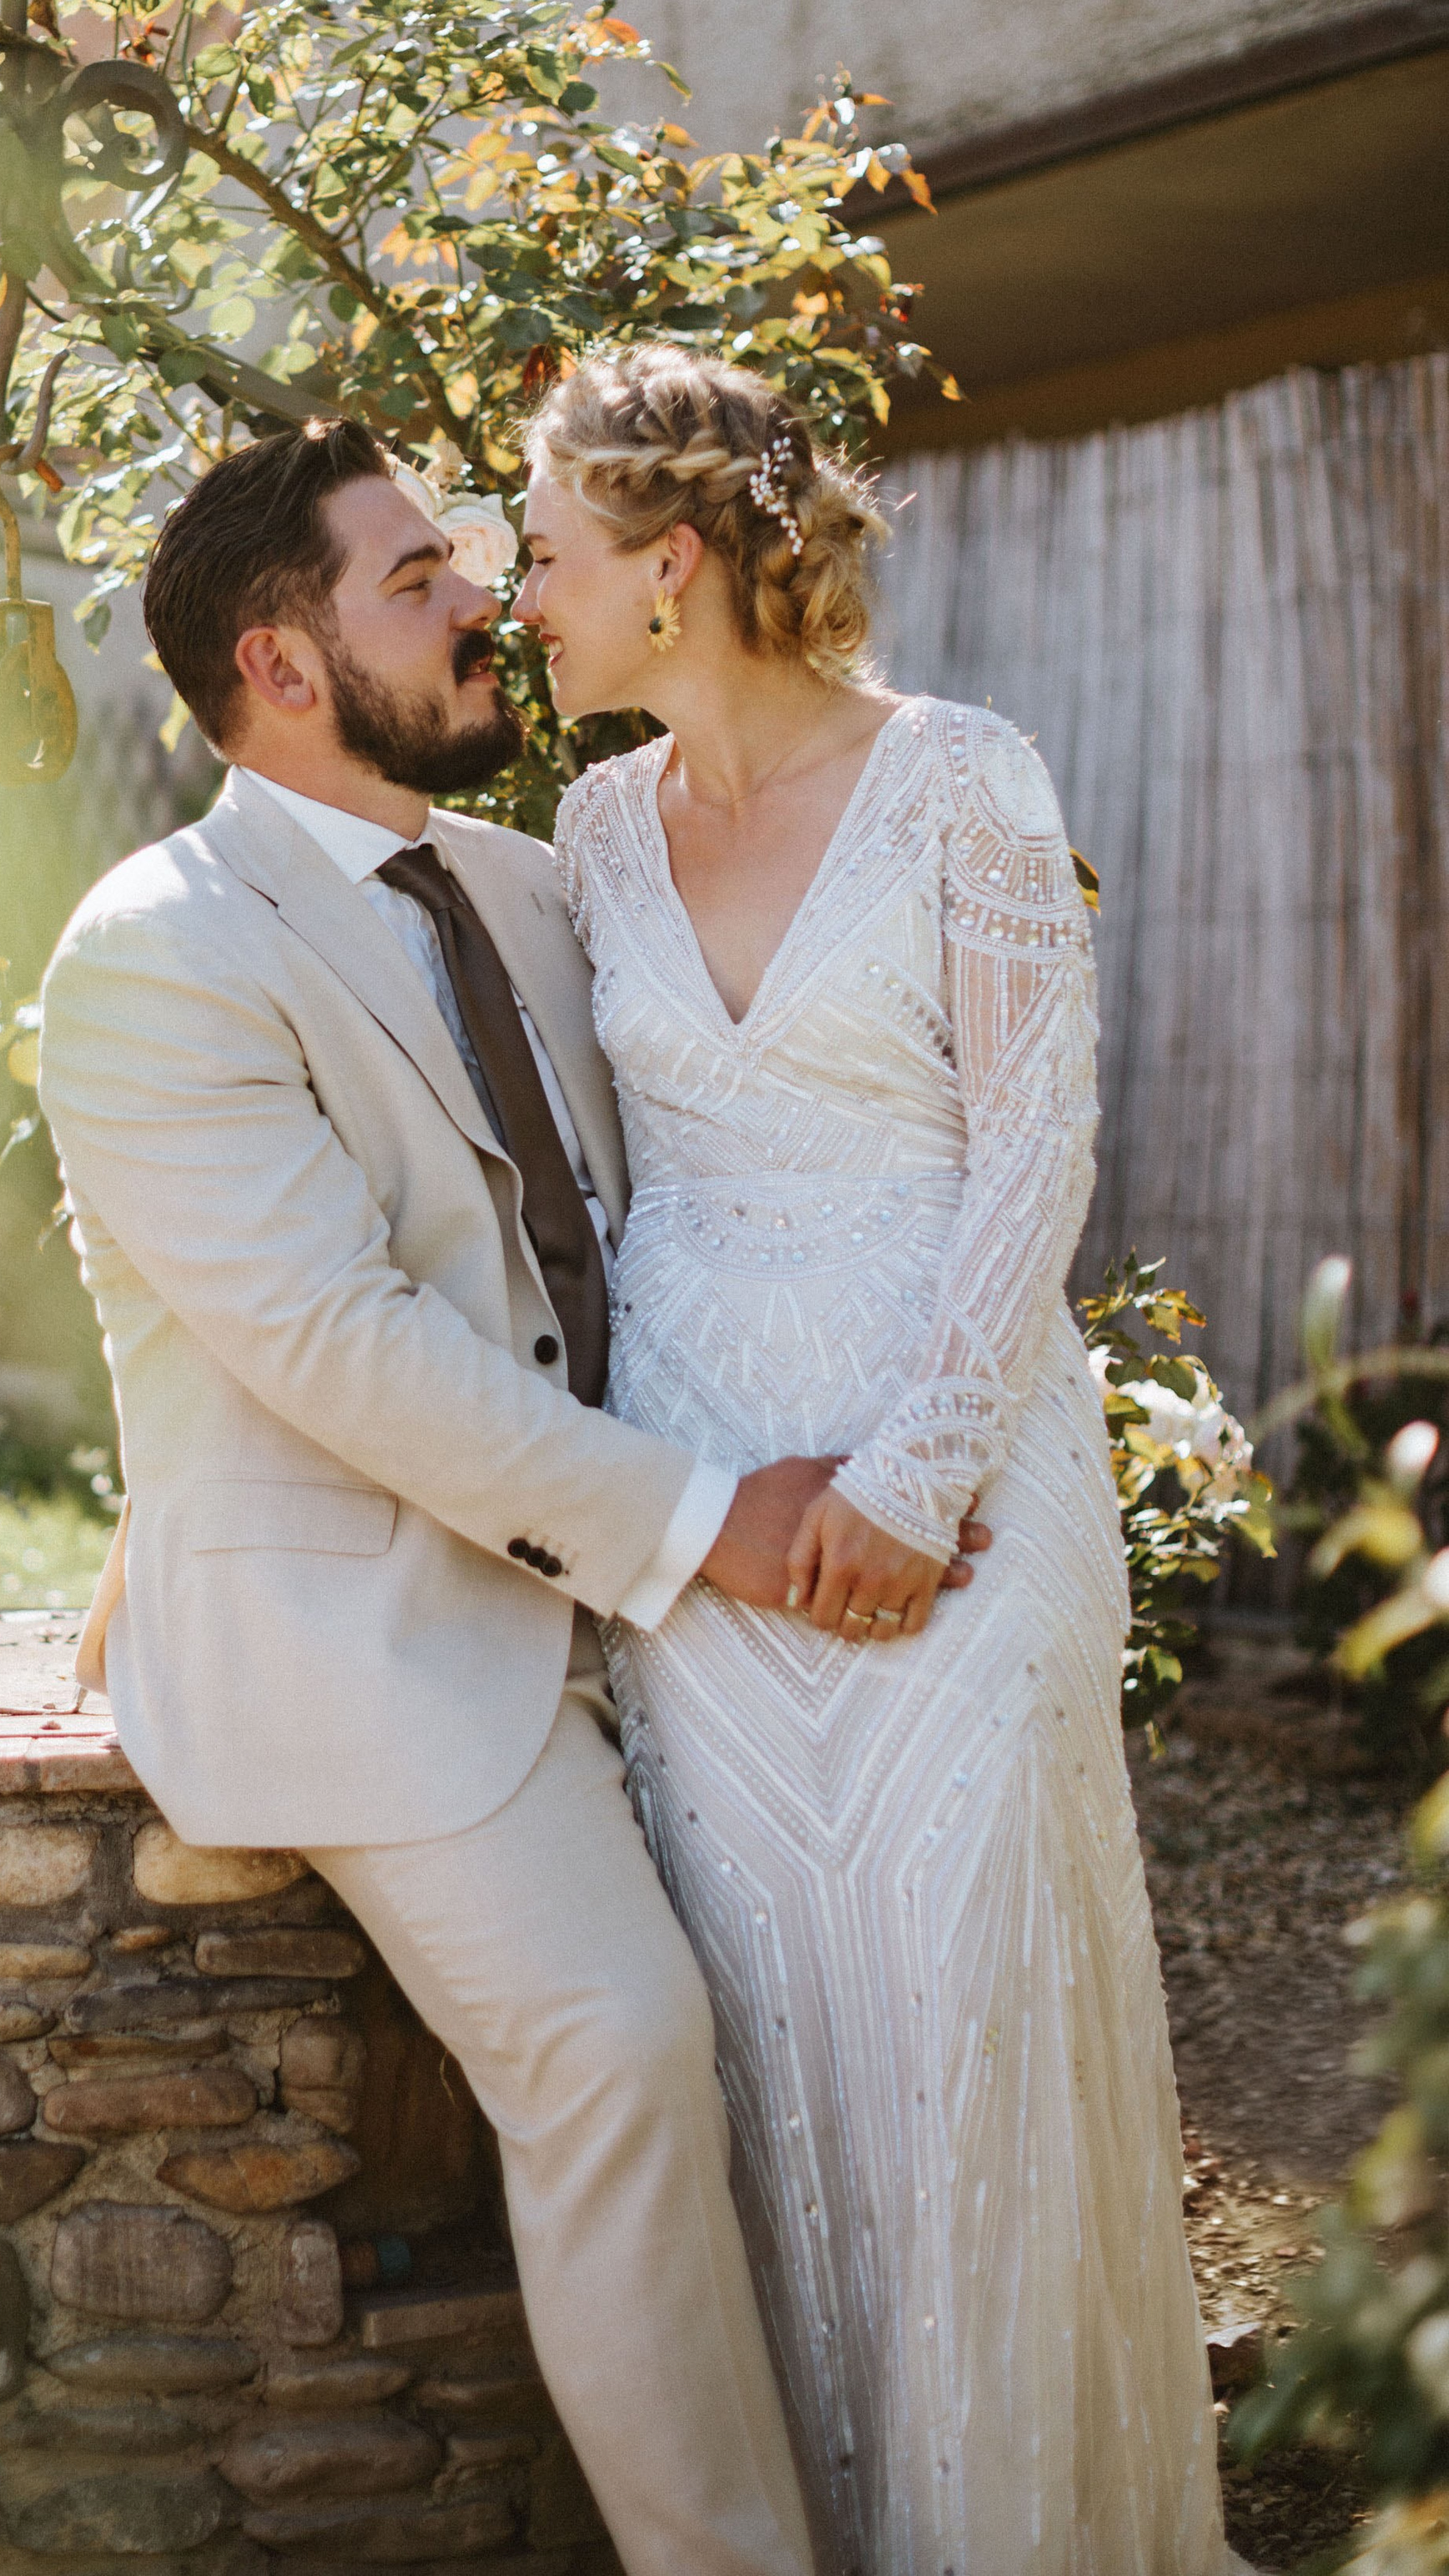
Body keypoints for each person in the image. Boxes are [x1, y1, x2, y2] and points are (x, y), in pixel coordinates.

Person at [37, 418, 985, 2574]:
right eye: (410, 579)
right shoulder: (158, 949)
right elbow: (345, 1348)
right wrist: (717, 1526)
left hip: (643, 1587)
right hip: (375, 1632)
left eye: (470, 561)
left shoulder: (551, 885)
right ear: (278, 662)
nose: (477, 598)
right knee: (623, 2049)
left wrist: (906, 1457)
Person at [516, 344, 1250, 2576]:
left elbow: (1038, 1146)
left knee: (957, 2033)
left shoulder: (964, 782)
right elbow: (623, 1191)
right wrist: (669, 1513)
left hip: (958, 1502)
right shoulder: (587, 828)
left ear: (668, 565)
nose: (515, 589)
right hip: (712, 1536)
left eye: (543, 550)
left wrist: (915, 1479)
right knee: (771, 2053)